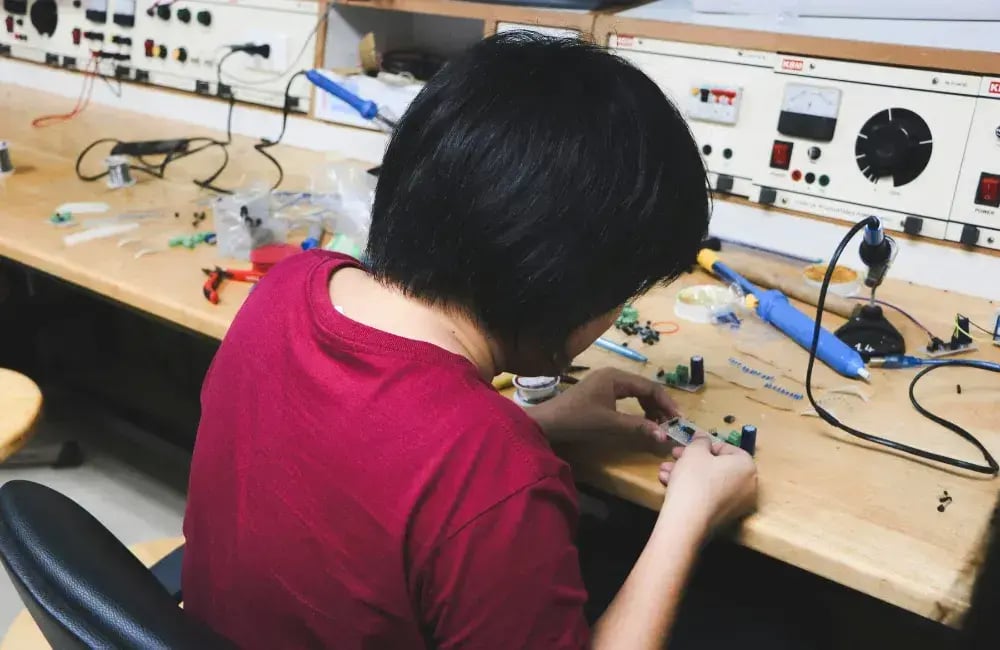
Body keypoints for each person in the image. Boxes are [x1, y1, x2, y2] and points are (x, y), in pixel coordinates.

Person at [183, 32, 757, 649]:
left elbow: (365, 455)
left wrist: (537, 423)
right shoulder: (498, 477)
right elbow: (453, 473)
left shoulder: (289, 288)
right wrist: (687, 519)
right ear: (565, 287)